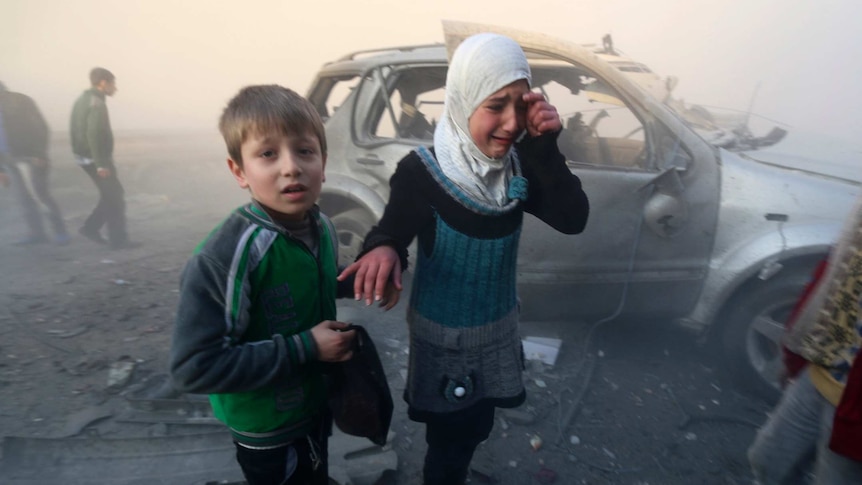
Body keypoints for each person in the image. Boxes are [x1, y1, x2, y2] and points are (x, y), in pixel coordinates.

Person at [338, 33, 590, 485]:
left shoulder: (519, 167)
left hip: (495, 332)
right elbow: (392, 229)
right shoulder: (422, 173)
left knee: (477, 423)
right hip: (445, 341)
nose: (511, 122)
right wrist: (382, 249)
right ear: (462, 101)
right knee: (449, 434)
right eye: (496, 105)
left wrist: (545, 148)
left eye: (521, 103)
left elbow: (573, 218)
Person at [169, 85, 397, 485]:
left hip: (315, 402)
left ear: (323, 163)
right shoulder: (227, 256)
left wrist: (364, 279)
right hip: (267, 428)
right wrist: (306, 346)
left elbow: (315, 281)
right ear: (239, 170)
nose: (290, 167)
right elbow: (195, 368)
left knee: (315, 470)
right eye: (268, 154)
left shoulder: (321, 226)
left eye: (304, 151)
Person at [747, 191, 862, 484]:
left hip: (855, 406)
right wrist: (796, 354)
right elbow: (833, 279)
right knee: (767, 460)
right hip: (824, 370)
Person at [70, 67, 135, 249]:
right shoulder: (96, 103)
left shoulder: (83, 100)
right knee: (115, 196)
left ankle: (92, 229)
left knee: (111, 195)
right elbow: (94, 134)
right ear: (103, 83)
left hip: (85, 157)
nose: (115, 88)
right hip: (95, 160)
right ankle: (117, 239)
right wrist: (101, 164)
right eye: (113, 84)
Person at [0, 82, 69, 245]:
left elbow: (41, 127)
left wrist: (39, 153)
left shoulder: (22, 101)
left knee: (41, 195)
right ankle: (37, 233)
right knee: (23, 198)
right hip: (9, 160)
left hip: (31, 158)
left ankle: (60, 232)